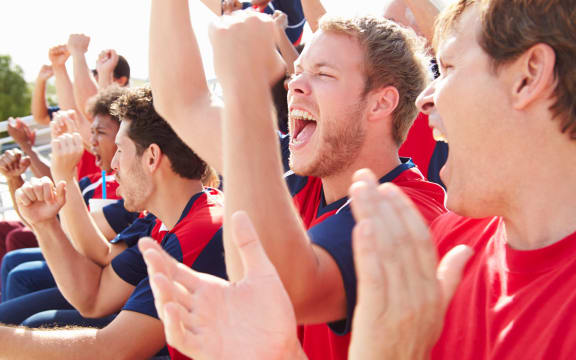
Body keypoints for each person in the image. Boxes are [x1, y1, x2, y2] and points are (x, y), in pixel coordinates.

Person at [149, 3, 447, 358]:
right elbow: (183, 102)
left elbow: (276, 289)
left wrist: (248, 84)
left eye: (323, 73)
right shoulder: (305, 175)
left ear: (381, 103)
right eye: (300, 69)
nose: (295, 84)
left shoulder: (409, 210)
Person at [0, 87, 225, 359]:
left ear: (152, 157)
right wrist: (44, 224)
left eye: (120, 149)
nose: (114, 163)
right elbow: (93, 298)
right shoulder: (163, 222)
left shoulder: (201, 230)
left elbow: (112, 350)